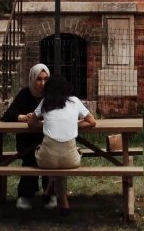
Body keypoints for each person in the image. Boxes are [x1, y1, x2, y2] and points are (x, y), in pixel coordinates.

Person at [28, 73, 97, 216]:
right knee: (63, 159)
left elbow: (31, 123)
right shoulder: (75, 101)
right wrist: (73, 125)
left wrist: (48, 125)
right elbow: (92, 122)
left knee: (51, 156)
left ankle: (50, 190)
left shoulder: (45, 102)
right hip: (71, 160)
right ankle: (63, 201)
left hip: (46, 160)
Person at [1, 63, 54, 210]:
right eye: (39, 79)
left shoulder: (51, 95)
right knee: (30, 159)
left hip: (47, 138)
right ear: (32, 79)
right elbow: (8, 115)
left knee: (50, 159)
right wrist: (23, 117)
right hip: (27, 140)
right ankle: (25, 195)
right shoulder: (25, 94)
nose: (42, 83)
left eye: (45, 79)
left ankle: (51, 194)